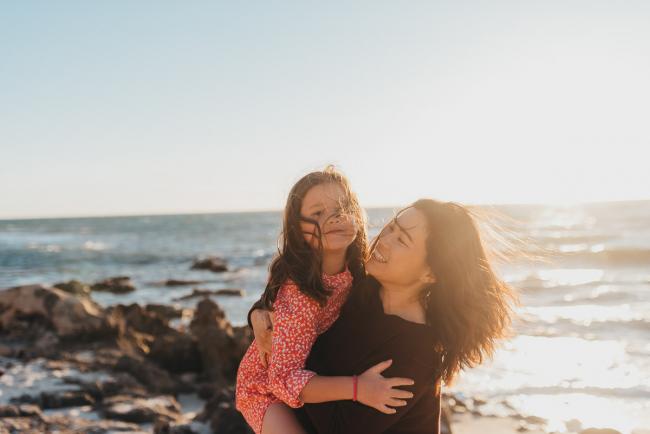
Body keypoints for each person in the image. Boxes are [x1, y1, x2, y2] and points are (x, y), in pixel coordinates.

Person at [250, 199, 518, 433]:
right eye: (391, 227)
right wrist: (259, 315)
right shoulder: (362, 288)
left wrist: (295, 365)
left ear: (431, 274)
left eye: (401, 239)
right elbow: (295, 295)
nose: (384, 239)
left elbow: (339, 429)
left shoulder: (416, 350)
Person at [235, 167, 416, 434]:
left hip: (310, 373)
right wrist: (358, 388)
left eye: (343, 207)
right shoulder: (299, 294)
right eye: (318, 213)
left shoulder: (360, 270)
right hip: (265, 389)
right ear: (299, 229)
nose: (335, 217)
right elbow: (284, 379)